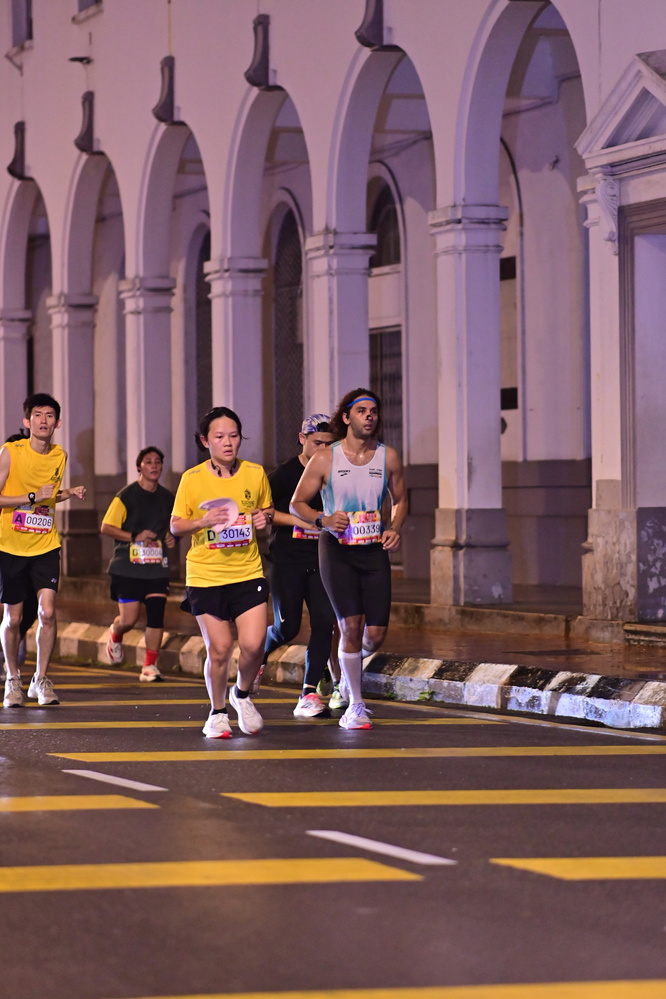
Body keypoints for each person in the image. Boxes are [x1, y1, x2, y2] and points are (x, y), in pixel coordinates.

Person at [291, 387, 407, 730]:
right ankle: (355, 704)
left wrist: (394, 527)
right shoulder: (325, 458)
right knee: (350, 626)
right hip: (337, 549)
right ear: (346, 417)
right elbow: (297, 503)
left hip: (373, 550)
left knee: (376, 634)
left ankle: (346, 667)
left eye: (374, 411)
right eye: (361, 411)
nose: (369, 416)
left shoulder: (388, 457)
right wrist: (323, 519)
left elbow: (400, 499)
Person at [170, 406, 274, 739]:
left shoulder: (255, 473)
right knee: (220, 648)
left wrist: (264, 518)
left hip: (247, 571)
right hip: (206, 575)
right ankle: (217, 713)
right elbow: (175, 526)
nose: (228, 442)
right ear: (205, 441)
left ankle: (241, 694)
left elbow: (266, 511)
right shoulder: (192, 479)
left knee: (254, 645)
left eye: (233, 435)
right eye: (219, 437)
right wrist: (203, 521)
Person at [0, 393, 86, 707]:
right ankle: (13, 679)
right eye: (37, 415)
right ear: (27, 421)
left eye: (49, 415)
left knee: (47, 612)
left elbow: (48, 495)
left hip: (45, 544)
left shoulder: (60, 455)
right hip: (10, 546)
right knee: (13, 618)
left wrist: (67, 493)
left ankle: (41, 679)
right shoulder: (10, 452)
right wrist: (32, 496)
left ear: (57, 422)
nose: (43, 421)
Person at [261, 414, 338, 719]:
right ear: (302, 439)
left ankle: (308, 693)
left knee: (324, 622)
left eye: (329, 444)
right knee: (287, 627)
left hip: (323, 559)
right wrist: (301, 519)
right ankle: (258, 651)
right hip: (287, 560)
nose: (323, 449)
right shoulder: (283, 474)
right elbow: (265, 512)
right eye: (317, 442)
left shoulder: (334, 471)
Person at [100, 446, 176, 681]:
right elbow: (106, 527)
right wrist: (135, 536)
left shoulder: (168, 498)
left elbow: (176, 525)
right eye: (148, 462)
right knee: (129, 620)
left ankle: (149, 666)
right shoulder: (126, 496)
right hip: (127, 566)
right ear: (139, 468)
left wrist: (172, 537)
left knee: (156, 614)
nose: (154, 466)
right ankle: (116, 633)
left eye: (157, 462)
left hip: (156, 566)